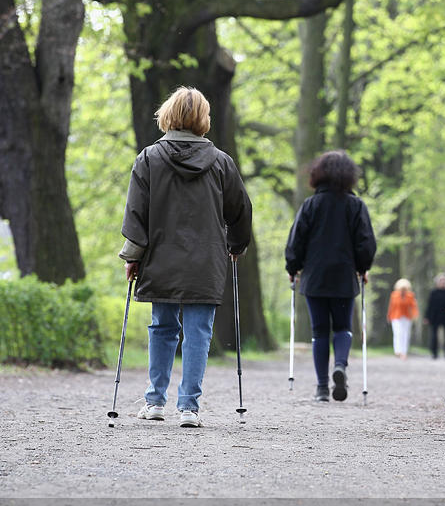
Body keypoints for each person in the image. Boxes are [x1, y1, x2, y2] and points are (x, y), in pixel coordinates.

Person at [119, 86, 252, 428]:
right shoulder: (222, 162)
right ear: (202, 120)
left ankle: (154, 402)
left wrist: (133, 255)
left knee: (162, 327)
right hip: (205, 261)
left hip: (160, 256)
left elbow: (137, 213)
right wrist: (236, 246)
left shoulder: (148, 159)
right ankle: (188, 407)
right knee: (199, 332)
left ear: (168, 116)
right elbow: (240, 210)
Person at [285, 151, 377, 402]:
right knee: (343, 327)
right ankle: (340, 365)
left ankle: (322, 387)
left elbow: (296, 240)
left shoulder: (310, 205)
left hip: (314, 277)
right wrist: (362, 267)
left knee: (319, 331)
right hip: (344, 276)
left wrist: (293, 267)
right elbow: (365, 242)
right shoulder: (355, 205)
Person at [386, 278, 419, 360]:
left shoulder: (410, 295)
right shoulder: (394, 295)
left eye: (405, 289)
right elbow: (391, 306)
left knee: (405, 334)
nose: (403, 290)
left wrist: (415, 315)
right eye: (402, 289)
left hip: (407, 317)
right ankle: (397, 350)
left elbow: (413, 306)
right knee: (397, 333)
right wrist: (389, 316)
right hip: (396, 317)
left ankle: (404, 352)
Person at [424, 274, 445, 359]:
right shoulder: (433, 292)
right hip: (435, 316)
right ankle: (434, 353)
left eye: (444, 281)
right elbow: (429, 305)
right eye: (441, 281)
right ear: (437, 282)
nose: (442, 283)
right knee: (434, 335)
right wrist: (426, 317)